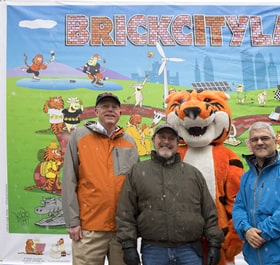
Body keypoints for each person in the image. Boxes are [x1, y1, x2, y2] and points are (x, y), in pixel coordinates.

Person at [116, 123, 225, 265]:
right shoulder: (137, 172)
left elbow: (209, 213)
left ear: (178, 142)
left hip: (189, 251)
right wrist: (128, 245)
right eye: (162, 137)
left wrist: (214, 244)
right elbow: (126, 212)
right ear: (153, 139)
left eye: (171, 138)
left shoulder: (193, 174)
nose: (166, 142)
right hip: (153, 251)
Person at [62, 92, 140, 265]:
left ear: (120, 113)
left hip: (122, 231)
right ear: (96, 111)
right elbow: (69, 180)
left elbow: (136, 187)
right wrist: (72, 221)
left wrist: (134, 225)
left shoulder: (129, 142)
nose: (110, 110)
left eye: (114, 107)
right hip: (89, 229)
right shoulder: (79, 136)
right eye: (105, 106)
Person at [232, 121, 280, 265]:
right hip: (255, 258)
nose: (259, 142)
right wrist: (246, 230)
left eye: (265, 138)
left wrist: (260, 234)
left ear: (275, 141)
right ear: (250, 144)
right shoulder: (247, 177)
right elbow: (239, 208)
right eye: (255, 139)